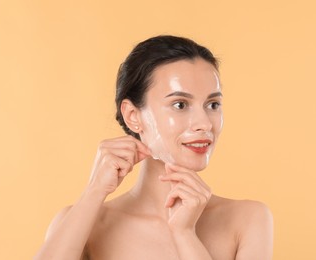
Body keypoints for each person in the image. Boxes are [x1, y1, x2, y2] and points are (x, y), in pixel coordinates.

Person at [34, 35, 273, 260]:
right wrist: (94, 191)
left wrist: (185, 234)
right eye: (180, 104)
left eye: (212, 104)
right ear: (132, 115)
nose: (204, 124)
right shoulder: (85, 223)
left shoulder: (247, 219)